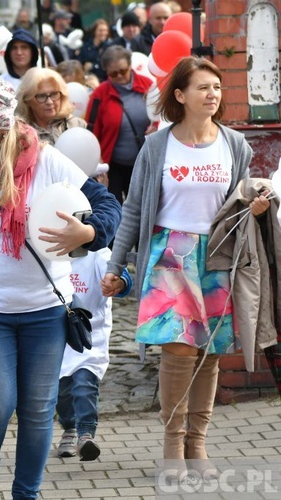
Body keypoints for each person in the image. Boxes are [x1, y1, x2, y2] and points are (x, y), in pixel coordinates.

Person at [0, 77, 121, 499]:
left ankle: (26, 493)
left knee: (36, 410)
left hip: (46, 309)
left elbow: (108, 205)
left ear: (1, 126)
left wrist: (87, 233)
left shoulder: (48, 162)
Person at [101, 56, 269, 476]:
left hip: (218, 255)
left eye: (216, 87)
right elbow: (134, 209)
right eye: (202, 87)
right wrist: (116, 265)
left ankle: (198, 444)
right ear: (180, 95)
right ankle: (172, 444)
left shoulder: (235, 144)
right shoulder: (158, 145)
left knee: (210, 354)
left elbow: (238, 205)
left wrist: (258, 206)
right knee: (178, 350)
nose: (212, 94)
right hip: (169, 255)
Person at [56, 166, 133, 462]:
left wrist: (117, 283)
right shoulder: (54, 255)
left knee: (85, 383)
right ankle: (68, 430)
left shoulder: (99, 256)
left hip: (91, 337)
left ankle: (87, 433)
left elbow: (123, 277)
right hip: (59, 338)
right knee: (62, 390)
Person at [86, 45, 153, 204]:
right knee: (114, 208)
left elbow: (161, 116)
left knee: (142, 208)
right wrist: (98, 161)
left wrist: (155, 127)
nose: (120, 77)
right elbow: (91, 131)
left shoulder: (148, 86)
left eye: (123, 71)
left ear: (130, 66)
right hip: (113, 166)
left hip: (144, 163)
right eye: (113, 74)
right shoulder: (99, 95)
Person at [16, 67, 87, 145]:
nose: (49, 102)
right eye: (41, 96)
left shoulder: (77, 125)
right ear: (27, 100)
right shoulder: (19, 134)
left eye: (54, 94)